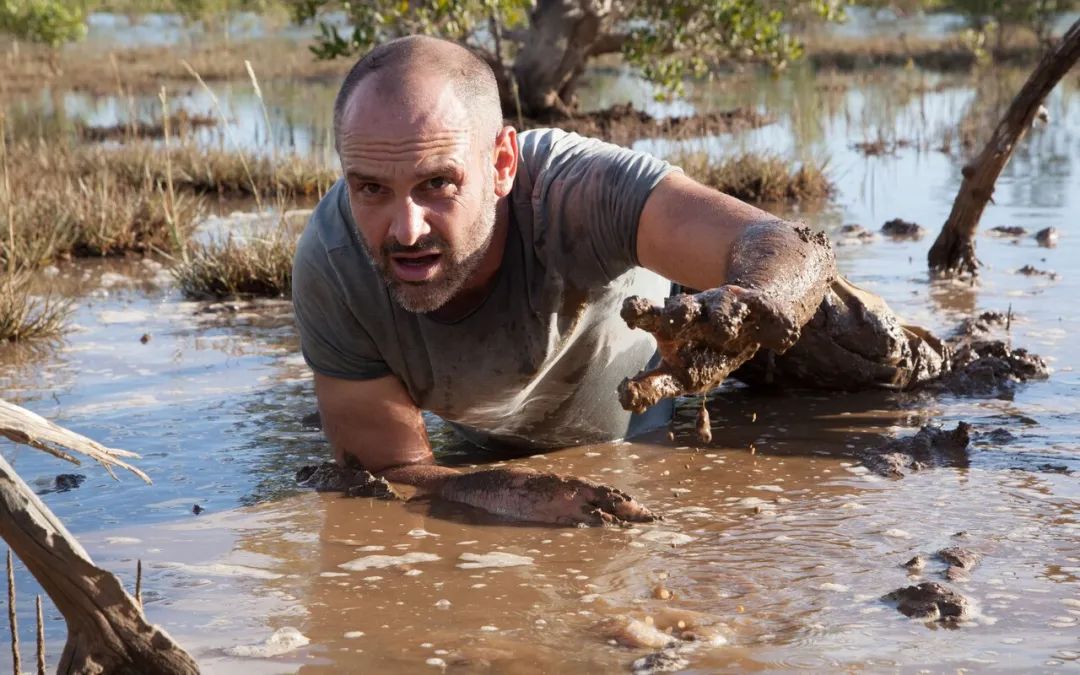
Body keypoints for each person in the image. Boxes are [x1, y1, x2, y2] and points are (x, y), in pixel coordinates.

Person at [292, 35, 946, 525]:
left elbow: (781, 243)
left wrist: (749, 311)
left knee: (876, 353)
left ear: (499, 164)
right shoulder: (332, 265)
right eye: (371, 189)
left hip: (692, 320)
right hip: (529, 436)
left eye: (437, 183)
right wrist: (533, 496)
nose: (404, 229)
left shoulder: (570, 190)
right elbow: (397, 473)